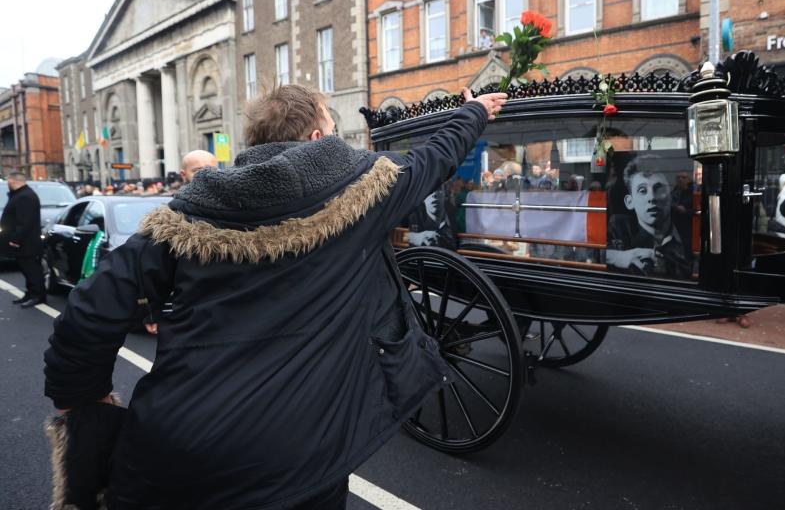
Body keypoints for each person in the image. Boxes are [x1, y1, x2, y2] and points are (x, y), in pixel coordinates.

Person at [43, 83, 506, 509]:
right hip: (298, 459)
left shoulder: (189, 211)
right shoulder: (367, 192)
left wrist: (88, 403)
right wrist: (473, 111)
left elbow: (85, 315)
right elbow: (437, 156)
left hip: (174, 446)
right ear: (318, 136)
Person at [606, 155, 692, 279]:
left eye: (659, 189)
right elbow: (595, 254)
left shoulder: (687, 228)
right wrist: (619, 257)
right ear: (630, 202)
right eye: (642, 191)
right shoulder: (619, 226)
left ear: (672, 197)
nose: (651, 198)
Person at [1, 172, 44, 307]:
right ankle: (31, 293)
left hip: (27, 243)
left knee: (32, 270)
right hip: (24, 243)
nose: (8, 184)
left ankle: (37, 295)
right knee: (26, 269)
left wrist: (16, 240)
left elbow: (25, 222)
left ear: (13, 181)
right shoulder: (21, 195)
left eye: (9, 181)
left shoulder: (25, 196)